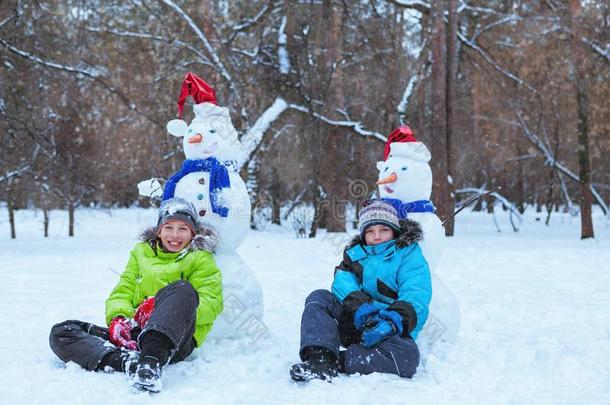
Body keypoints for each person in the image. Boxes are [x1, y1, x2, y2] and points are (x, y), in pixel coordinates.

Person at [49, 197, 223, 392]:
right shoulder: (141, 253)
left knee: (182, 289)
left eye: (183, 228)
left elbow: (211, 303)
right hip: (136, 333)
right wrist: (119, 319)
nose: (175, 235)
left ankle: (151, 362)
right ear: (159, 231)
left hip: (174, 340)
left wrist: (158, 310)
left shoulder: (200, 258)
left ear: (193, 233)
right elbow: (123, 290)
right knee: (63, 332)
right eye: (168, 227)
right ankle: (129, 363)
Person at [290, 199, 432, 382]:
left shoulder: (408, 254)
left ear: (395, 231)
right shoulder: (355, 255)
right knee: (319, 298)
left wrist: (390, 322)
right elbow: (343, 285)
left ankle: (340, 361)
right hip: (357, 320)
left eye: (384, 230)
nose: (377, 236)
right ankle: (320, 359)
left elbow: (416, 294)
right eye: (370, 231)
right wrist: (363, 311)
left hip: (389, 330)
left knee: (407, 356)